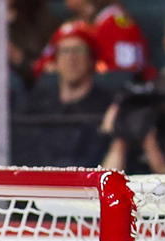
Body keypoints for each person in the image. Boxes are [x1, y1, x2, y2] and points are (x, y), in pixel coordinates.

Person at [16, 20, 113, 167]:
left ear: (91, 59)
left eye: (78, 50)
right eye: (64, 51)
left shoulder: (107, 106)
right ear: (55, 61)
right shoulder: (38, 105)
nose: (71, 58)